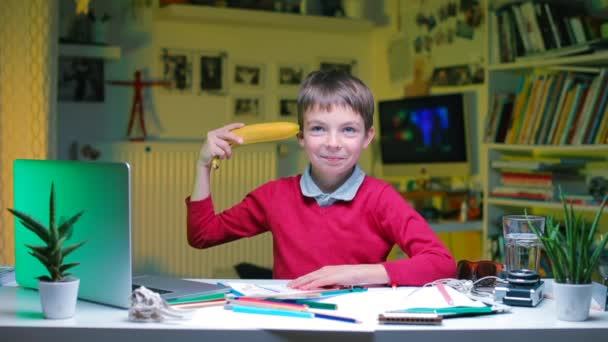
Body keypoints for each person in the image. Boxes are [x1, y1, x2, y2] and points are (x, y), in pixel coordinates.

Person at [186, 70, 456, 289]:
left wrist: (357, 274)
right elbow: (202, 235)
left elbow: (442, 264)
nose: (333, 143)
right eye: (318, 129)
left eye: (348, 130)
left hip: (359, 323)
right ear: (301, 137)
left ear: (367, 137)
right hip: (295, 323)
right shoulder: (275, 196)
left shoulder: (380, 198)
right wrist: (203, 165)